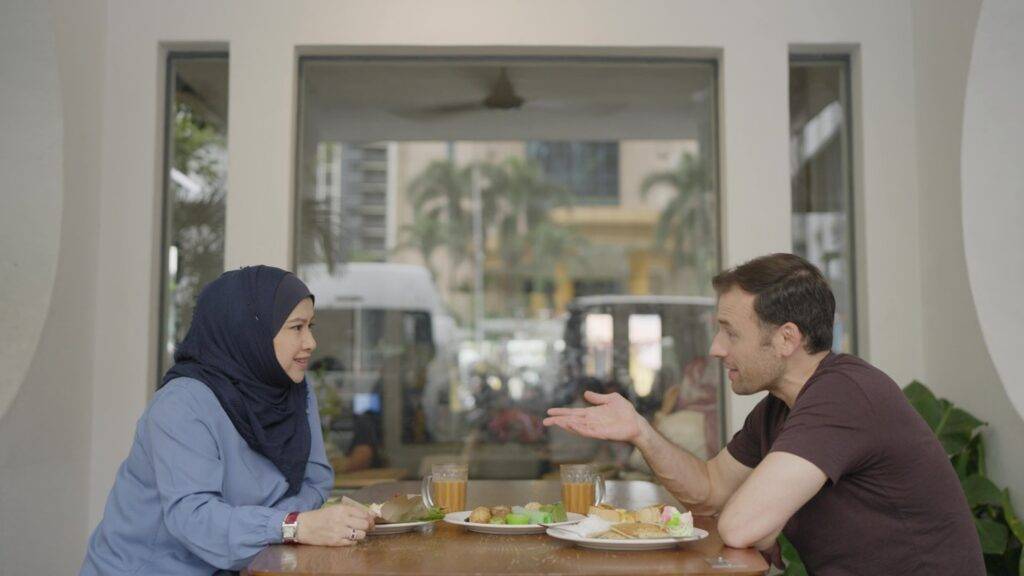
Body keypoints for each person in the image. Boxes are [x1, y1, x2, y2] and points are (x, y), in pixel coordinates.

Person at [545, 253, 984, 575]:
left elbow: (737, 525)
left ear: (787, 339)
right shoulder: (781, 408)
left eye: (730, 332)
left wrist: (761, 522)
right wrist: (641, 432)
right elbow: (709, 490)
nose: (717, 349)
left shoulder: (844, 396)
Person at [81, 266, 375, 575]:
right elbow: (193, 519)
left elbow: (315, 480)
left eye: (310, 326)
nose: (311, 342)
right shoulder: (182, 404)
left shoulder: (294, 391)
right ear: (249, 330)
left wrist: (280, 526)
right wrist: (291, 525)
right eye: (296, 327)